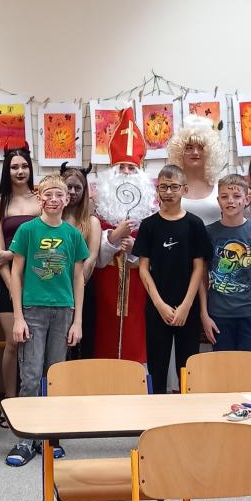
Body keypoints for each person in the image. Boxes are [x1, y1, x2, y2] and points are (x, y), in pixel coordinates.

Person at [5, 175, 88, 466]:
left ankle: (50, 437)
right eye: (48, 194)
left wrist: (77, 321)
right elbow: (16, 274)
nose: (54, 200)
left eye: (59, 195)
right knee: (30, 376)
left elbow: (78, 278)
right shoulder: (28, 230)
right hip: (33, 311)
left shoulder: (73, 234)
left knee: (54, 376)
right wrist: (18, 317)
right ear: (39, 198)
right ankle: (26, 440)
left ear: (67, 199)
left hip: (63, 311)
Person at [134, 165, 210, 394]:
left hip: (188, 307)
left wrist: (186, 305)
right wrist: (159, 304)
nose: (168, 192)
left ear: (184, 189)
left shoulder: (195, 224)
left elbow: (199, 268)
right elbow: (143, 268)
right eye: (163, 187)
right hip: (157, 308)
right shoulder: (149, 225)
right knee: (157, 368)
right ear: (157, 189)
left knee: (187, 368)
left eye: (174, 187)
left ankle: (188, 411)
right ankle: (156, 412)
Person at [91, 108, 157, 364]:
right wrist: (113, 238)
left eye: (132, 167)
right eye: (122, 167)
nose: (127, 173)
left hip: (139, 283)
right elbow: (94, 258)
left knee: (136, 337)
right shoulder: (99, 208)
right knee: (105, 337)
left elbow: (155, 255)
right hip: (105, 282)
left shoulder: (151, 211)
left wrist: (134, 249)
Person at [0, 148, 38, 426]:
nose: (20, 171)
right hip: (6, 281)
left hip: (40, 280)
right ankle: (10, 403)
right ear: (7, 171)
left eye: (24, 166)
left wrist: (14, 255)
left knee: (36, 344)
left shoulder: (41, 200)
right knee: (13, 342)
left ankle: (34, 402)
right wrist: (11, 285)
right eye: (14, 167)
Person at [200, 174, 251, 352]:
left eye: (236, 196)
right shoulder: (208, 233)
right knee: (224, 366)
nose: (230, 201)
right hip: (218, 315)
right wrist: (204, 314)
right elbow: (201, 276)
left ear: (247, 199)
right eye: (224, 196)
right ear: (218, 201)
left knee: (250, 366)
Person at [60, 162, 101, 359]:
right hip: (54, 289)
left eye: (78, 188)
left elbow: (91, 258)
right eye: (69, 186)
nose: (73, 192)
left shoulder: (91, 222)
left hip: (83, 288)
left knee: (82, 345)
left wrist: (75, 286)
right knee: (58, 346)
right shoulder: (51, 220)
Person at [169, 115, 230, 225]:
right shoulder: (170, 189)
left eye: (201, 148)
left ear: (210, 151)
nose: (195, 152)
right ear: (180, 152)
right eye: (189, 148)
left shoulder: (220, 188)